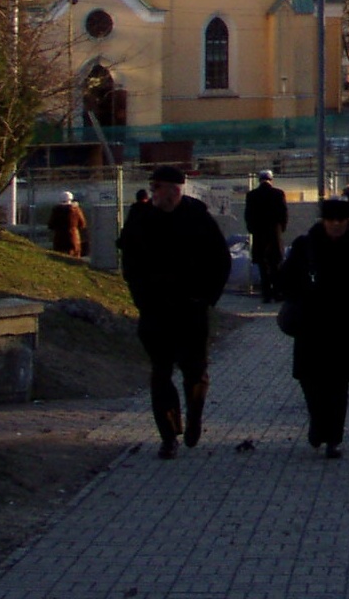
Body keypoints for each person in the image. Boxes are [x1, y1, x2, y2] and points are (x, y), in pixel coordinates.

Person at [120, 165, 231, 460]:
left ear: (175, 190)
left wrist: (206, 299)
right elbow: (129, 263)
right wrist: (141, 299)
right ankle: (168, 435)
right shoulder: (140, 217)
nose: (153, 193)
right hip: (155, 310)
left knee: (195, 372)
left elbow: (220, 262)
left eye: (158, 187)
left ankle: (194, 416)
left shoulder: (198, 218)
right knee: (161, 372)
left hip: (191, 310)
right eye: (152, 187)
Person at [278, 197, 349, 459]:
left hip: (345, 328)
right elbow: (286, 280)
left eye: (341, 221)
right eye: (331, 220)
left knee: (338, 385)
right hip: (311, 327)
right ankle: (317, 424)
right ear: (323, 221)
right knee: (311, 382)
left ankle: (334, 437)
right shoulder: (306, 245)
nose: (336, 225)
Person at [243, 169, 288, 303]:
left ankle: (266, 294)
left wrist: (252, 229)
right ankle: (278, 292)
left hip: (259, 233)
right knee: (275, 263)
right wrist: (281, 228)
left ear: (259, 179)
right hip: (274, 232)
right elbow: (283, 213)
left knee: (262, 264)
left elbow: (248, 215)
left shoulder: (252, 195)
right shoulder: (278, 193)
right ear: (271, 179)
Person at [47, 191, 87, 257]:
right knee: (74, 258)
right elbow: (82, 224)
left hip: (59, 238)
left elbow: (51, 225)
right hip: (73, 237)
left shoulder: (56, 210)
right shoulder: (76, 210)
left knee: (59, 257)